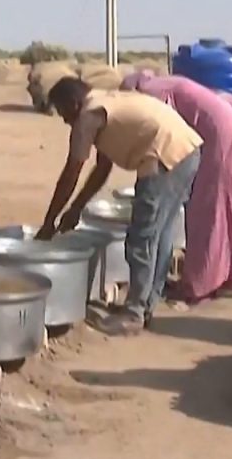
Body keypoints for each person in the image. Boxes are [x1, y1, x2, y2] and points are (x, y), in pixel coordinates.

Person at [37, 77, 203, 336]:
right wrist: (75, 209)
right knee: (161, 234)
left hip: (162, 156)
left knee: (142, 237)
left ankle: (134, 313)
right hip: (187, 151)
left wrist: (49, 222)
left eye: (62, 112)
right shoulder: (108, 102)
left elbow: (71, 173)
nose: (64, 120)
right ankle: (146, 305)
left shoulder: (88, 117)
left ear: (73, 103)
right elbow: (102, 169)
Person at [120, 71, 232, 302]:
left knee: (207, 210)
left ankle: (202, 282)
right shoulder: (166, 83)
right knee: (226, 203)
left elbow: (164, 134)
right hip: (230, 129)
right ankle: (223, 273)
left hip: (217, 137)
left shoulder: (153, 93)